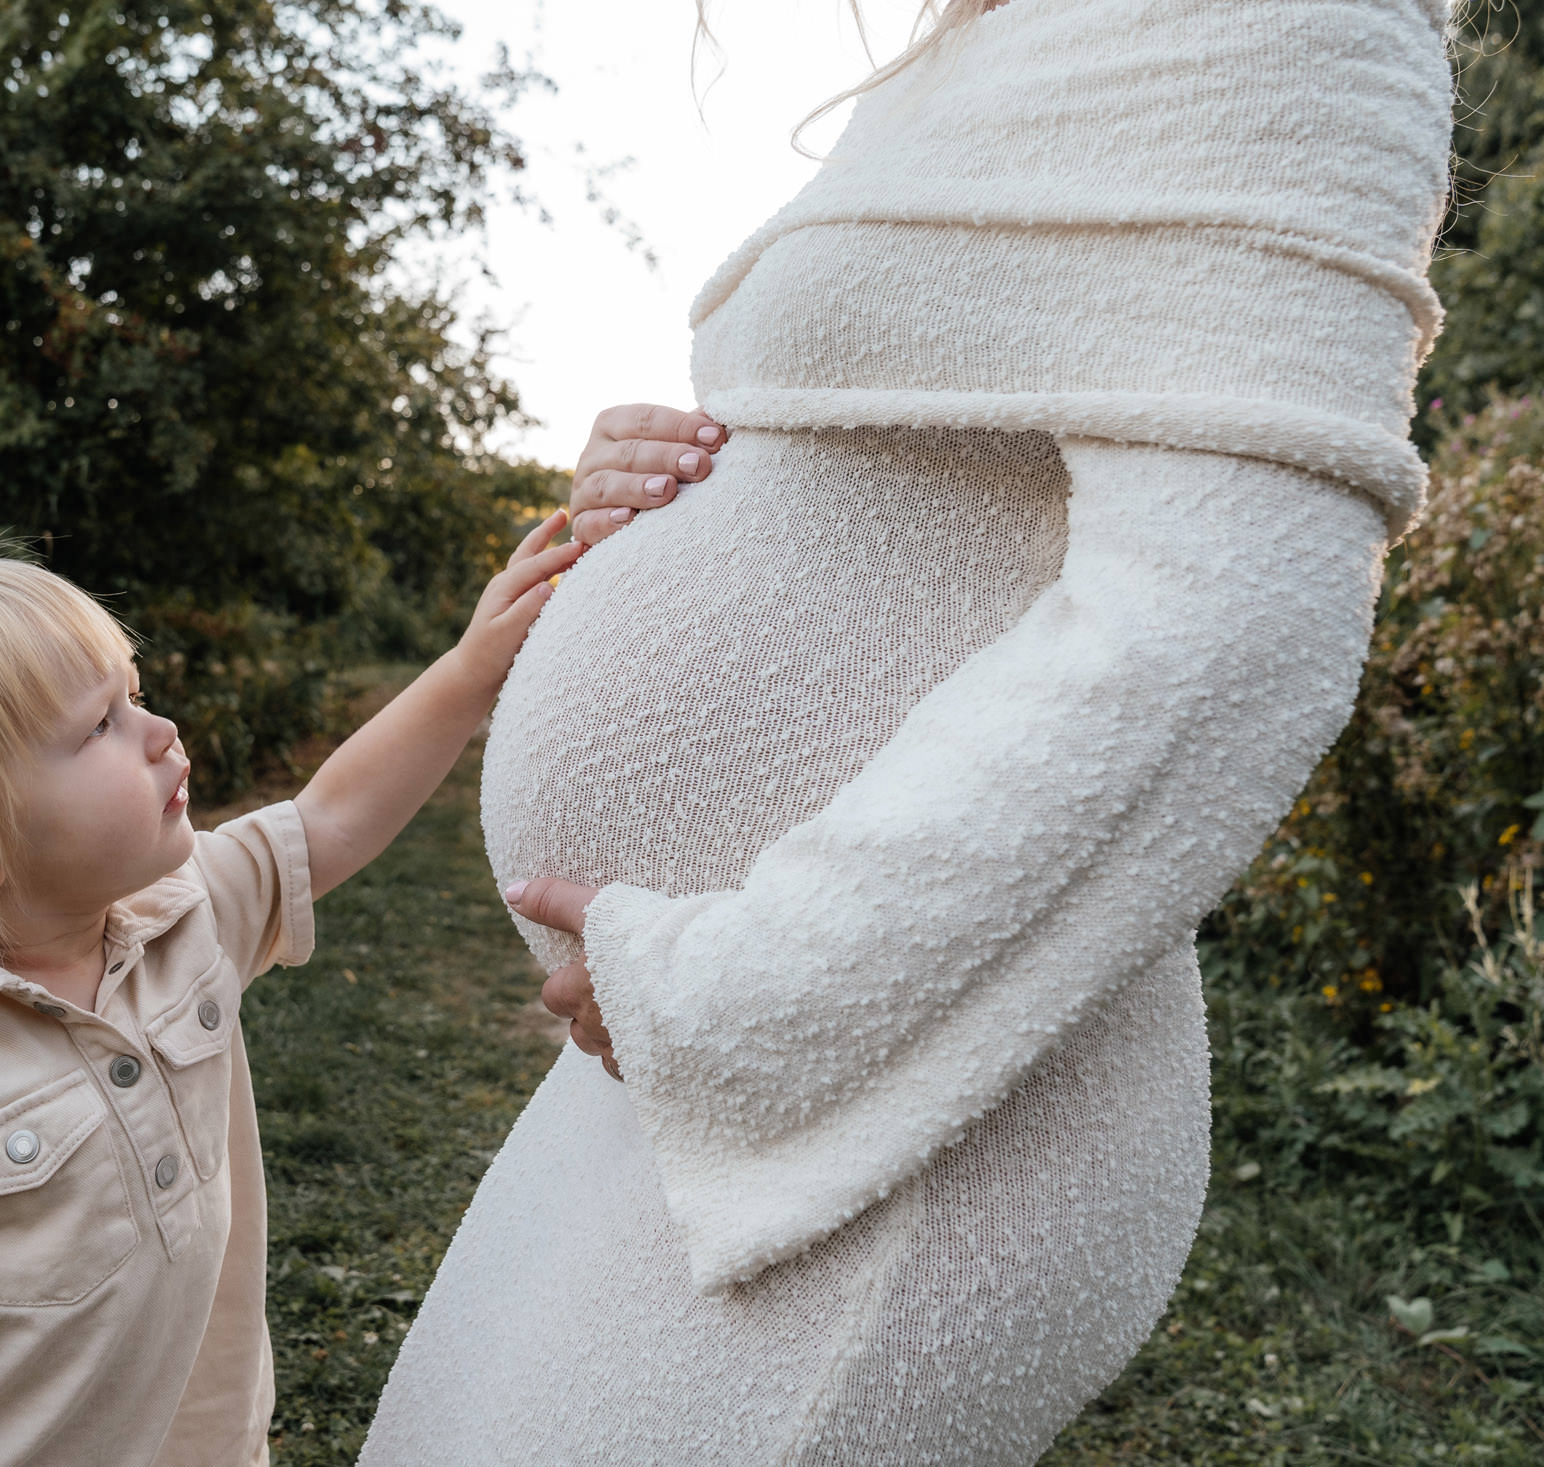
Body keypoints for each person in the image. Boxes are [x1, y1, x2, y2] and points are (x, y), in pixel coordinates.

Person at [359, 0, 1455, 1462]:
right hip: (697, 1071)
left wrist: (738, 1001)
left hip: (898, 1097)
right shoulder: (1011, 35)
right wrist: (674, 468)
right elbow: (921, 470)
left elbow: (1223, 628)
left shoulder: (1289, 14)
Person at [0, 519, 590, 1467]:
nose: (160, 731)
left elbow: (330, 818)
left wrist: (473, 667)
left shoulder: (184, 915)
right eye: (100, 725)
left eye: (132, 696)